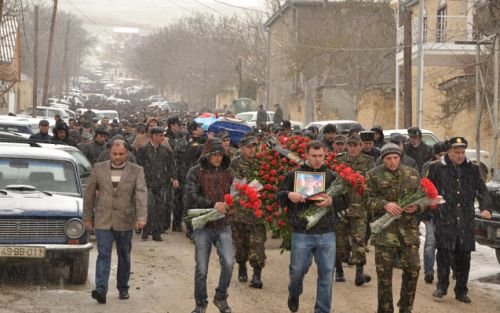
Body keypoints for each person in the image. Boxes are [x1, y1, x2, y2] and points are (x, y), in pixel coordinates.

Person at [277, 140, 348, 313]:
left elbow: (346, 200)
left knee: (326, 274)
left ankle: (322, 310)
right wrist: (289, 194)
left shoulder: (332, 176)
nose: (317, 160)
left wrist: (332, 201)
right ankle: (294, 292)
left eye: (320, 156)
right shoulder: (294, 175)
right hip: (302, 232)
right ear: (306, 155)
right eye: (314, 156)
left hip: (326, 232)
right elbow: (278, 195)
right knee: (297, 271)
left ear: (325, 155)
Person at [427, 137, 492, 303]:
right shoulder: (436, 169)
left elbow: (482, 191)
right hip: (444, 217)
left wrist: (485, 208)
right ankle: (441, 286)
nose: (460, 155)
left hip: (465, 219)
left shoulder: (473, 169)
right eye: (456, 152)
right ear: (448, 152)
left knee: (464, 256)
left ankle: (461, 290)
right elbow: (427, 190)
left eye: (462, 152)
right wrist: (428, 209)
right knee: (444, 254)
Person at [83, 139, 148, 304]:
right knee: (103, 254)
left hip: (125, 219)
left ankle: (123, 287)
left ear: (127, 153)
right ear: (109, 153)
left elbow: (141, 194)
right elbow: (89, 194)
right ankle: (101, 289)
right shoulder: (99, 169)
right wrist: (87, 217)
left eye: (121, 154)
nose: (118, 157)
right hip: (103, 219)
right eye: (114, 154)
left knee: (124, 254)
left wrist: (141, 217)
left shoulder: (136, 171)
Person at [365, 143, 422, 313]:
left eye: (395, 158)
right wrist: (385, 205)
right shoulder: (373, 175)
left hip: (408, 231)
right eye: (388, 158)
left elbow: (424, 198)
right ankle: (385, 309)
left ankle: (405, 307)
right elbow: (366, 200)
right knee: (384, 276)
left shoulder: (412, 173)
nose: (392, 162)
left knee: (413, 269)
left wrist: (417, 207)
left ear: (400, 157)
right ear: (383, 159)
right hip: (385, 233)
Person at [184, 138, 235, 313]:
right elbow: (191, 196)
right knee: (201, 268)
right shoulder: (195, 172)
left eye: (220, 154)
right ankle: (200, 303)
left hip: (223, 224)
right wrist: (212, 204)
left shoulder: (229, 172)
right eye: (214, 154)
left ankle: (221, 296)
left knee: (228, 262)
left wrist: (234, 204)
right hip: (203, 226)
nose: (217, 158)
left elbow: (234, 193)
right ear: (207, 154)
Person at [335, 134, 374, 286]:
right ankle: (338, 271)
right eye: (350, 145)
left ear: (360, 146)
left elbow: (371, 183)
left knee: (359, 241)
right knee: (340, 242)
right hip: (341, 207)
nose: (352, 148)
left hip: (359, 208)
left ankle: (359, 272)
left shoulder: (368, 162)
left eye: (355, 145)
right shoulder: (339, 160)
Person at [230, 135, 266, 289]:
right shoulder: (234, 165)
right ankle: (242, 265)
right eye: (249, 146)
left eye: (254, 146)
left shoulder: (262, 164)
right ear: (242, 147)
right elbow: (231, 186)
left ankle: (257, 274)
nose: (252, 149)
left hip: (257, 212)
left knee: (257, 243)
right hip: (239, 212)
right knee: (241, 244)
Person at [136, 127, 179, 241]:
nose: (162, 138)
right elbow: (138, 166)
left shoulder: (165, 151)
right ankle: (146, 230)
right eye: (159, 135)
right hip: (147, 183)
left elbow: (171, 166)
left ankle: (157, 232)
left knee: (160, 208)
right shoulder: (144, 150)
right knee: (149, 207)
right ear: (153, 136)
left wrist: (174, 178)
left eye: (162, 135)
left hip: (162, 183)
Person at [419, 141, 447, 284]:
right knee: (431, 241)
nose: (442, 158)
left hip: (446, 212)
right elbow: (423, 190)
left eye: (444, 155)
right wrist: (424, 212)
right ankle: (429, 271)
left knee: (447, 243)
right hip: (431, 210)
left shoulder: (451, 168)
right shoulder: (428, 168)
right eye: (439, 155)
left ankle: (449, 270)